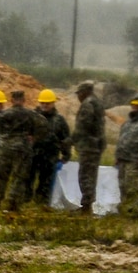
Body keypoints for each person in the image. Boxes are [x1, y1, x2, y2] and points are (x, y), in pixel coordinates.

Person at [0, 89, 43, 213]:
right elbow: (44, 126)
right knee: (18, 177)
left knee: (1, 176)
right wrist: (34, 137)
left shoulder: (4, 114)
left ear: (11, 100)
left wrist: (4, 135)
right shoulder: (31, 114)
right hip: (22, 148)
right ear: (24, 100)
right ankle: (13, 205)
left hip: (5, 148)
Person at [30, 88, 71, 204]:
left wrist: (66, 155)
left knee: (45, 184)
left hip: (50, 158)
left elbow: (66, 139)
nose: (44, 105)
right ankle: (25, 204)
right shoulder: (32, 117)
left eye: (47, 103)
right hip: (32, 156)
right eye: (42, 103)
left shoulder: (59, 120)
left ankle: (41, 205)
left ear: (53, 103)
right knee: (27, 182)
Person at [71, 81, 106, 214]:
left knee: (85, 176)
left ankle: (86, 207)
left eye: (79, 93)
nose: (78, 97)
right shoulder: (98, 103)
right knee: (91, 175)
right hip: (96, 145)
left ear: (85, 92)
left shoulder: (87, 104)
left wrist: (71, 140)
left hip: (88, 146)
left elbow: (82, 126)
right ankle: (88, 205)